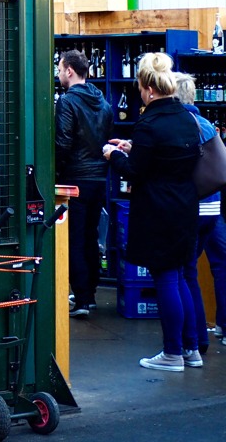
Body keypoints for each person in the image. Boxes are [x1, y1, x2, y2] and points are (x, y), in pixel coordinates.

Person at [103, 52, 200, 372]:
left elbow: (134, 172)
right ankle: (191, 349)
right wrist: (135, 147)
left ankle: (172, 353)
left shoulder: (148, 122)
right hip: (186, 207)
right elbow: (172, 157)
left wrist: (113, 154)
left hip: (158, 211)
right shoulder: (187, 119)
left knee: (166, 280)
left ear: (148, 88)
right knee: (184, 276)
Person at [54, 48, 112, 318]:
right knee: (90, 236)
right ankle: (90, 291)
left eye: (59, 68)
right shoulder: (102, 101)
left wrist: (56, 170)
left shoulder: (67, 102)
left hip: (75, 177)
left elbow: (63, 142)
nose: (58, 73)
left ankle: (81, 300)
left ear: (69, 70)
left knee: (74, 238)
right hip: (99, 177)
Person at [173, 72, 224, 356]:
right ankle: (200, 338)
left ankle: (191, 341)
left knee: (183, 274)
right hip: (213, 207)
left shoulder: (182, 125)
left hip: (193, 206)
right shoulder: (206, 123)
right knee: (192, 271)